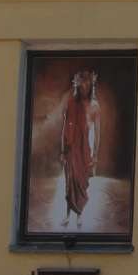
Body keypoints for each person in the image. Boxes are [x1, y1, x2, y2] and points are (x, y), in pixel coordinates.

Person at [60, 71, 93, 228]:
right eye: (78, 85)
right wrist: (62, 150)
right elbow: (64, 127)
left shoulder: (87, 105)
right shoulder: (70, 103)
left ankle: (79, 216)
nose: (80, 88)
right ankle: (67, 216)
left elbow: (88, 129)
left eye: (82, 86)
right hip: (70, 149)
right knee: (69, 183)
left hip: (82, 148)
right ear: (75, 85)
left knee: (79, 182)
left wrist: (89, 153)